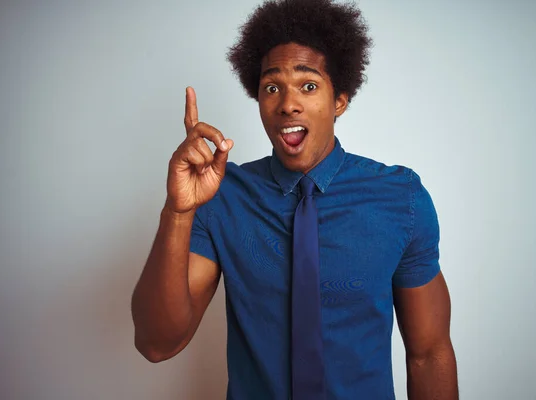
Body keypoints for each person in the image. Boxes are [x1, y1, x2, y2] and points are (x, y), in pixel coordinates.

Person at [131, 0, 458, 398]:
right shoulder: (222, 197)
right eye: (272, 87)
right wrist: (178, 211)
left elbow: (428, 353)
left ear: (339, 99)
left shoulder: (400, 198)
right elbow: (157, 343)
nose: (288, 104)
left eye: (308, 85)